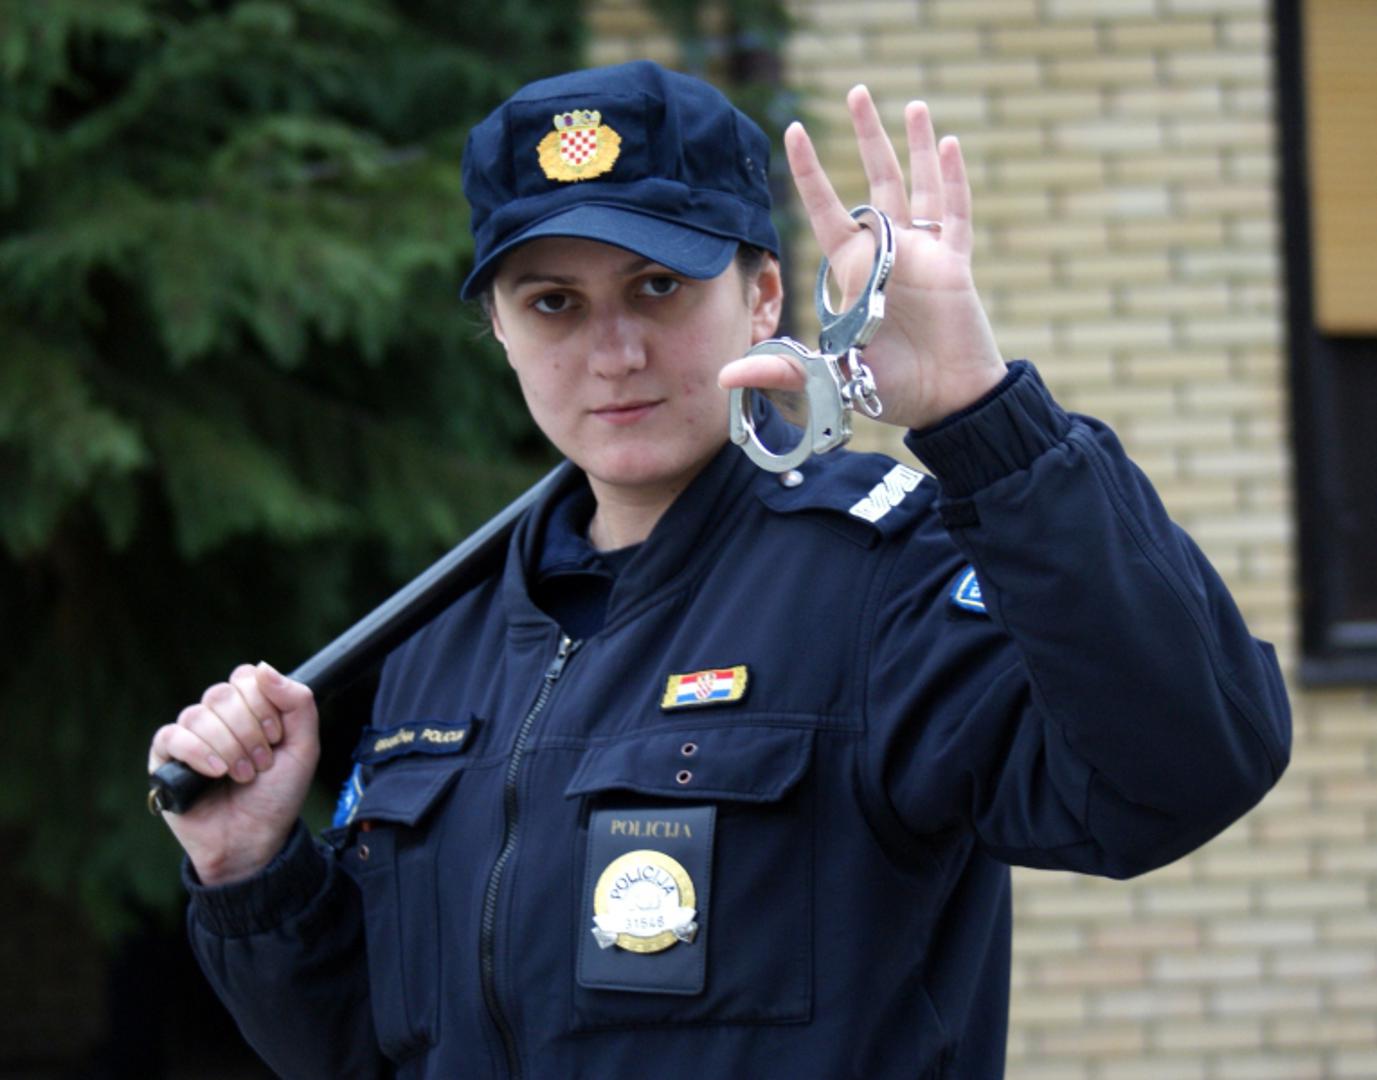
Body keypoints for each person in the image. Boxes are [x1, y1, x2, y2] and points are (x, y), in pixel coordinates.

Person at [148, 60, 1291, 1078]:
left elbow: (1186, 771)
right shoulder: (441, 643)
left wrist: (983, 416)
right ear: (497, 329)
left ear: (762, 295)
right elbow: (374, 1047)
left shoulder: (880, 578)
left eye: (659, 286)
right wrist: (252, 875)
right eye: (554, 304)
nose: (615, 352)